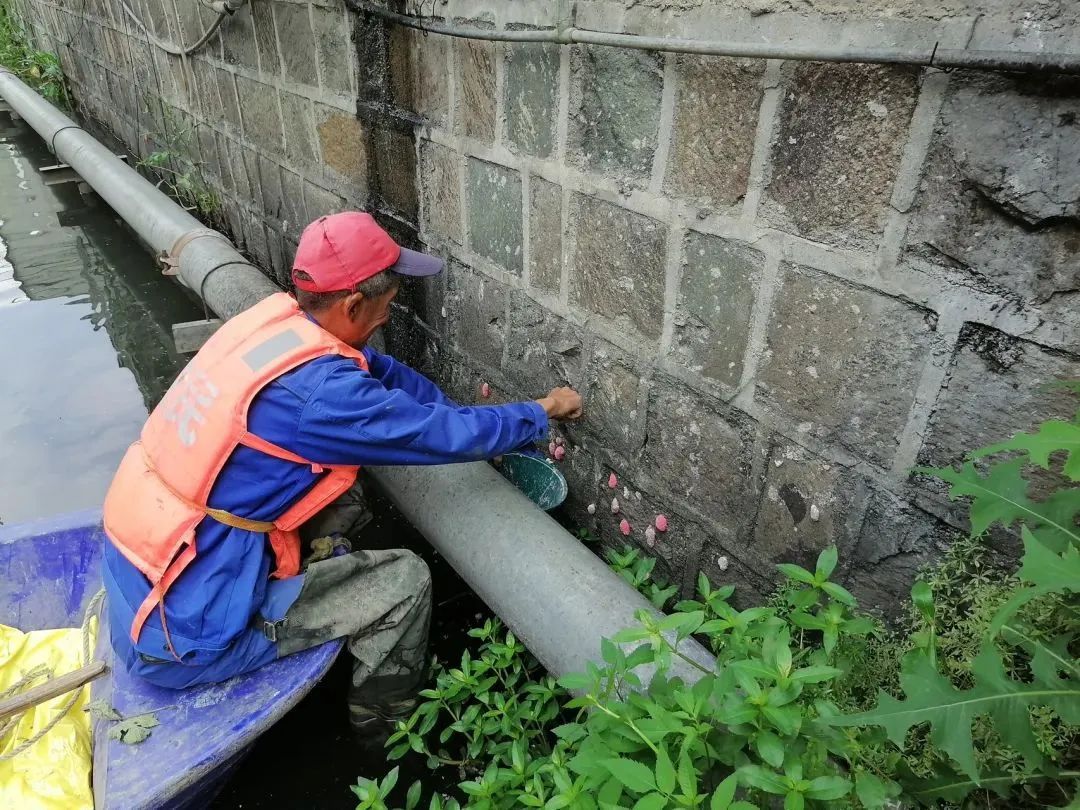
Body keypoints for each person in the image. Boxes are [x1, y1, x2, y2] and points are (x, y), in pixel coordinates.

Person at [101, 211, 583, 732]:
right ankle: (381, 722)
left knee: (346, 494)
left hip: (147, 568)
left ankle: (310, 581)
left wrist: (450, 412)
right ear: (352, 304)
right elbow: (440, 435)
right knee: (404, 581)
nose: (387, 318)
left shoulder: (275, 325)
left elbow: (387, 375)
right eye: (386, 306)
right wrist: (543, 410)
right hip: (184, 634)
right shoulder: (321, 396)